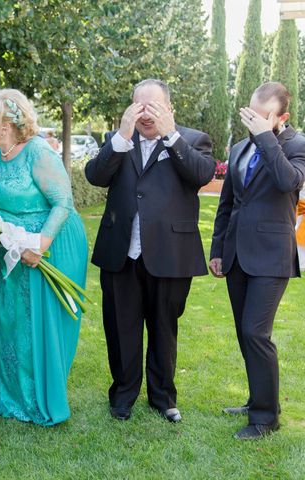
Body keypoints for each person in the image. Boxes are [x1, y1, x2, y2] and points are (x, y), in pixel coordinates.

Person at [86, 79, 215, 423]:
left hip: (170, 253)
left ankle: (163, 396)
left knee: (163, 327)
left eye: (154, 107)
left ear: (169, 108)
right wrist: (121, 139)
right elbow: (95, 176)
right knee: (121, 327)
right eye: (139, 107)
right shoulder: (117, 141)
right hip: (121, 252)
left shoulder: (192, 139)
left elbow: (202, 174)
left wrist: (172, 136)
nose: (146, 115)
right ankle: (123, 395)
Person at [0, 89, 88, 425]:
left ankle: (40, 397)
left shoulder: (38, 152)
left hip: (51, 244)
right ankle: (12, 394)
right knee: (13, 320)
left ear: (6, 125)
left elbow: (63, 203)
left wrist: (39, 246)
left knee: (40, 320)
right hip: (10, 246)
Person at [209, 82, 305, 440]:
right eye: (251, 113)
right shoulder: (239, 147)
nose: (254, 122)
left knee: (256, 332)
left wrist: (266, 137)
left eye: (262, 116)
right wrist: (218, 249)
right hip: (236, 254)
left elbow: (287, 181)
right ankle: (258, 400)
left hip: (271, 256)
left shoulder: (297, 145)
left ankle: (266, 419)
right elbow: (228, 203)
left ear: (282, 117)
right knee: (244, 333)